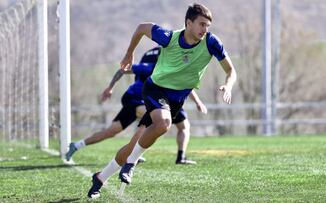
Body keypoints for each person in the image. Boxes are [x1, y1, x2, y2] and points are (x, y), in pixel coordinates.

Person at [87, 3, 237, 198]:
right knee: (164, 124)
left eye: (207, 26)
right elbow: (142, 27)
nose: (205, 29)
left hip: (176, 99)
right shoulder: (168, 37)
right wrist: (129, 53)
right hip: (155, 89)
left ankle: (100, 177)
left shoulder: (211, 42)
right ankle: (131, 164)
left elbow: (231, 70)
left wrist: (228, 85)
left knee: (134, 144)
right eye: (201, 24)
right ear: (188, 23)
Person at [66, 46, 207, 165]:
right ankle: (133, 155)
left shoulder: (173, 70)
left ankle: (76, 145)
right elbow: (123, 69)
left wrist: (198, 102)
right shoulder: (150, 68)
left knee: (111, 131)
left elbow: (185, 85)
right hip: (134, 99)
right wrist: (110, 88)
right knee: (154, 119)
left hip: (158, 101)